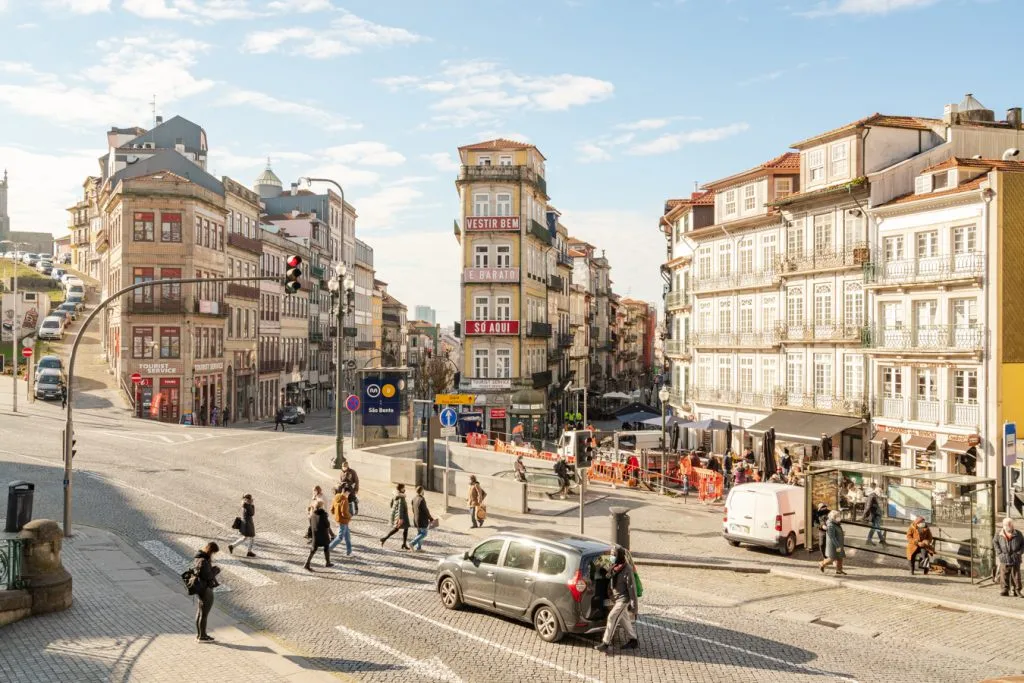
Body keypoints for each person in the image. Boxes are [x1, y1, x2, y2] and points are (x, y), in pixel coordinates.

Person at [594, 547, 639, 654]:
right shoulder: (614, 565)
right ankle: (633, 640)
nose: (612, 557)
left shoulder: (627, 569)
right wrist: (600, 560)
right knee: (624, 620)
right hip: (615, 597)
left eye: (614, 555)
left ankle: (605, 643)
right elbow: (598, 564)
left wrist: (634, 607)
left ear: (620, 556)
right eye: (612, 555)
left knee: (612, 617)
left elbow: (632, 589)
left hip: (623, 599)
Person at [192, 541, 221, 642]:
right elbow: (208, 576)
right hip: (206, 590)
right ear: (211, 551)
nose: (213, 555)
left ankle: (199, 634)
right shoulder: (204, 561)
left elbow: (203, 573)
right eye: (213, 553)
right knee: (204, 614)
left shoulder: (198, 558)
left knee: (200, 612)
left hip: (200, 589)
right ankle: (203, 636)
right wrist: (215, 570)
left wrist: (211, 569)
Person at [993, 517, 1023, 597]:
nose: (1010, 526)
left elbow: (1023, 545)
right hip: (1004, 557)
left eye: (1011, 524)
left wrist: (1019, 553)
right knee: (1004, 575)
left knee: (1016, 575)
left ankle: (1017, 590)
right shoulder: (998, 534)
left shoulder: (1018, 534)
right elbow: (995, 543)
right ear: (1004, 526)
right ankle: (1004, 590)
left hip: (1015, 558)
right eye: (1007, 525)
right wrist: (999, 553)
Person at [304, 500, 334, 571]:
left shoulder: (312, 514)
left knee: (313, 549)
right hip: (323, 534)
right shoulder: (323, 515)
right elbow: (327, 525)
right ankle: (327, 562)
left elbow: (311, 525)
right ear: (321, 506)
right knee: (326, 547)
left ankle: (307, 563)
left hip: (316, 535)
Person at [380, 483, 411, 550]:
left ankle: (404, 544)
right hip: (402, 516)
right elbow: (400, 508)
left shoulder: (395, 495)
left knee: (404, 529)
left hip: (398, 515)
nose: (404, 489)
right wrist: (400, 518)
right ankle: (384, 538)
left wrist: (395, 512)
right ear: (400, 489)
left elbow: (391, 504)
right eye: (403, 488)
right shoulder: (401, 497)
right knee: (397, 529)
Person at [819, 510, 847, 575]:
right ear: (833, 517)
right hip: (833, 545)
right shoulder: (831, 525)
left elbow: (836, 533)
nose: (839, 517)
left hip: (838, 543)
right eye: (837, 516)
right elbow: (832, 537)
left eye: (839, 516)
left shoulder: (836, 523)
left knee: (840, 557)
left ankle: (839, 570)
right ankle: (822, 563)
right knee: (832, 558)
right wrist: (837, 546)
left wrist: (841, 533)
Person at [328, 484, 353, 556]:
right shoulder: (345, 500)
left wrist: (336, 516)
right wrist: (350, 516)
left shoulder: (336, 496)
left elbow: (332, 510)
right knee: (340, 537)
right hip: (344, 521)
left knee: (347, 536)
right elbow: (344, 512)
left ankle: (349, 551)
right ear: (346, 492)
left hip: (339, 520)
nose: (348, 494)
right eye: (348, 493)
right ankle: (328, 549)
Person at [409, 485, 435, 552]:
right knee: (424, 533)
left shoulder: (413, 498)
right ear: (421, 491)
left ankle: (419, 548)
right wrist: (431, 518)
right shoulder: (421, 499)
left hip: (416, 520)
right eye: (423, 490)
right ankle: (412, 543)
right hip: (422, 520)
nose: (424, 492)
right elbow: (425, 510)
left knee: (419, 533)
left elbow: (413, 510)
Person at [863, 482, 887, 546]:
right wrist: (865, 515)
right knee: (876, 527)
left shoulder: (875, 495)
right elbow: (868, 505)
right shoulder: (873, 495)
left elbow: (879, 504)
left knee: (875, 527)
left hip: (877, 513)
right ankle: (880, 540)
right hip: (875, 513)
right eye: (880, 492)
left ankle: (870, 540)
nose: (881, 493)